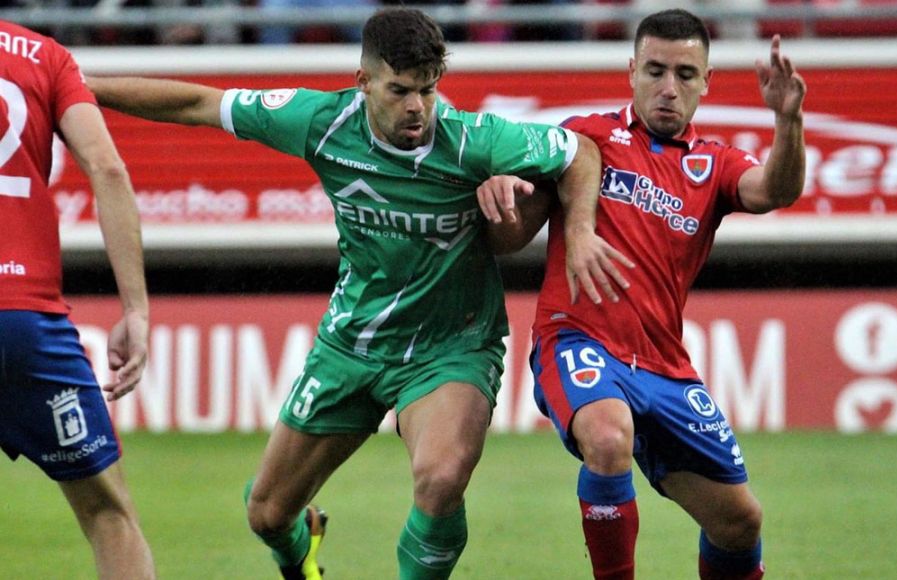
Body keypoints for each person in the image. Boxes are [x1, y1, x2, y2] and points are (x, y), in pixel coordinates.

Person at [87, 7, 610, 579]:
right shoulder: (321, 122)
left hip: (451, 345)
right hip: (351, 342)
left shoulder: (473, 141)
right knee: (266, 514)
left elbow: (580, 153)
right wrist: (80, 91)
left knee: (440, 480)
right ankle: (301, 555)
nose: (418, 107)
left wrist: (577, 230)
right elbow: (198, 105)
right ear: (363, 84)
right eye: (401, 90)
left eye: (429, 90)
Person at [481, 8, 806, 579]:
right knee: (607, 438)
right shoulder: (584, 138)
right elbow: (509, 235)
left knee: (739, 522)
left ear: (707, 83)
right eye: (654, 70)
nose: (668, 87)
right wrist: (501, 189)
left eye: (685, 74)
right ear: (630, 70)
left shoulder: (716, 164)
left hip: (664, 368)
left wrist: (788, 123)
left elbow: (774, 191)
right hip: (577, 340)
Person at [0, 20, 155, 579]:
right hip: (21, 319)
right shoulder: (44, 56)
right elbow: (107, 167)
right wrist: (135, 309)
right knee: (107, 513)